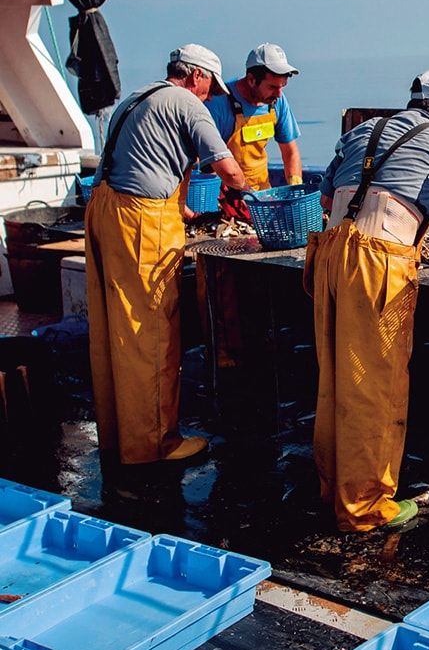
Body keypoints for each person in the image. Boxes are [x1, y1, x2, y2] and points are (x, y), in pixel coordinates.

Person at [304, 67, 429, 531]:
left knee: (334, 376)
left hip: (330, 251)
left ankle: (333, 487)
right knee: (374, 382)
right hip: (378, 260)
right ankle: (366, 506)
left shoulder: (362, 131)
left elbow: (324, 195)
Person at [85, 44, 249, 466]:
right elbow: (228, 170)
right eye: (210, 84)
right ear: (197, 75)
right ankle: (154, 443)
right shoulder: (187, 103)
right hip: (140, 220)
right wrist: (252, 197)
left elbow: (152, 160)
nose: (210, 94)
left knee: (113, 328)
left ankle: (118, 436)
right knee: (150, 329)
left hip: (104, 209)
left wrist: (182, 210)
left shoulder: (138, 98)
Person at [206, 42, 302, 219]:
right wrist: (238, 193)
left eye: (283, 87)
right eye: (273, 87)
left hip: (262, 195)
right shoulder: (219, 103)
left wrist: (295, 189)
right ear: (251, 79)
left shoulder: (276, 101)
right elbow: (207, 163)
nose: (279, 94)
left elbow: (290, 153)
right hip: (227, 198)